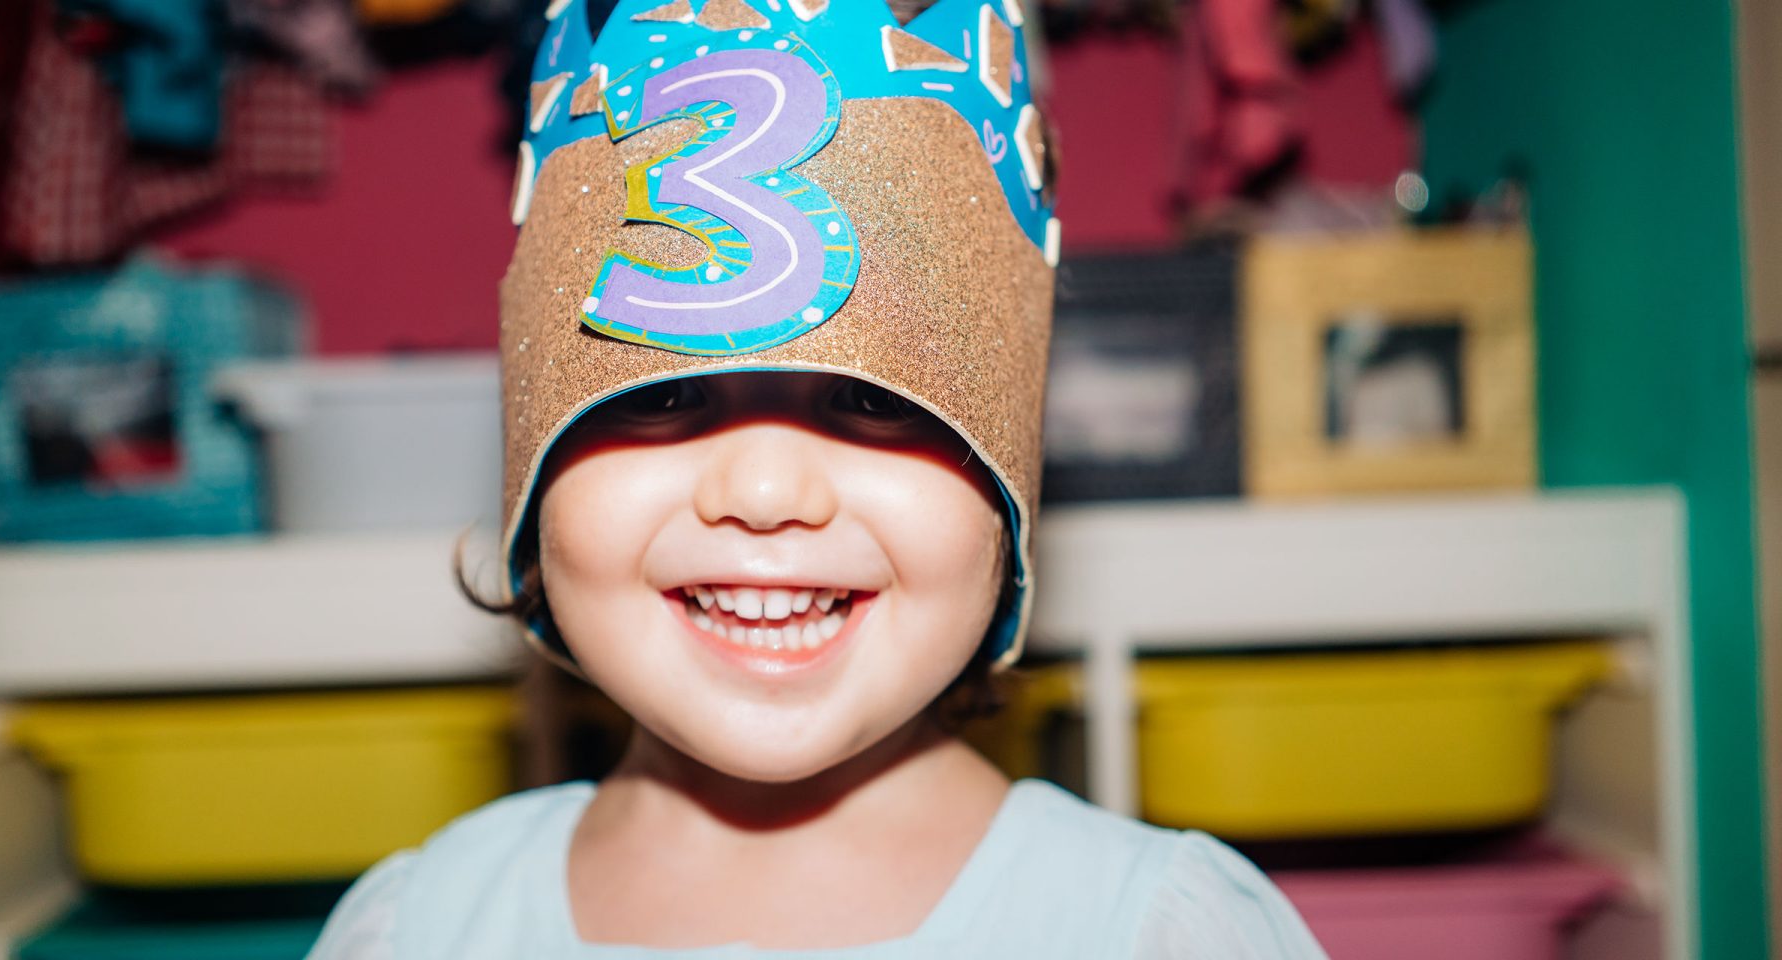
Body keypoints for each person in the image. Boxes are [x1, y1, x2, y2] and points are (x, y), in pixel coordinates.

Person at [308, 0, 1328, 954]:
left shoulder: (1161, 934)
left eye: (876, 400)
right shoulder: (417, 931)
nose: (761, 491)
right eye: (661, 397)